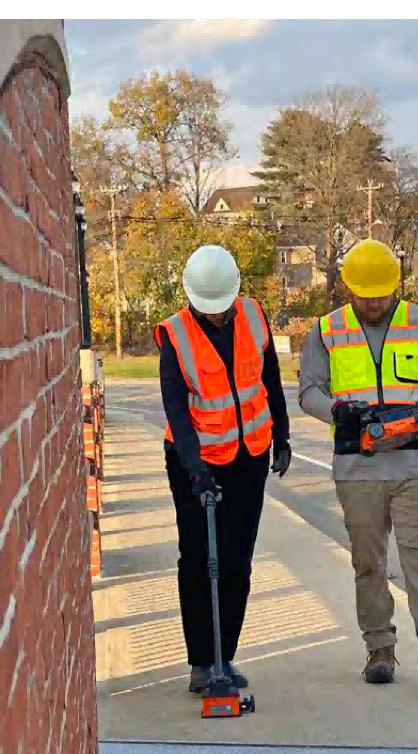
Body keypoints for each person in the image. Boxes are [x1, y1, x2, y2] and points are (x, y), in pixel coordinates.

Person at [298, 238, 418, 688]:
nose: (373, 301)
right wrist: (335, 411)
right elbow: (308, 389)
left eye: (381, 293)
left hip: (415, 463)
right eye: (363, 293)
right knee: (368, 562)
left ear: (396, 285)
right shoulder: (326, 330)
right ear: (348, 288)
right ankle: (379, 650)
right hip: (357, 468)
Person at [154, 244, 292, 693]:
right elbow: (176, 411)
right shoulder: (175, 335)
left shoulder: (253, 315)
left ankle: (224, 657)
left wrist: (283, 438)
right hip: (195, 464)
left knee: (237, 560)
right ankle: (200, 663)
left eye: (222, 307)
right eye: (207, 309)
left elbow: (270, 379)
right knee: (198, 560)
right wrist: (196, 472)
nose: (216, 315)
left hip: (249, 456)